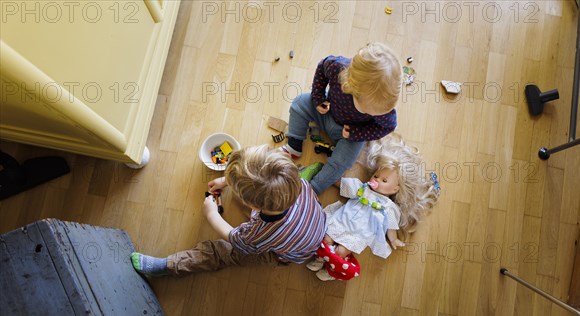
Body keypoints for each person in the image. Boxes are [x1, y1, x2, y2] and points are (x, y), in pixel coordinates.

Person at [130, 145, 327, 276]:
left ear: (254, 207)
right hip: (311, 224)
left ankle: (170, 265)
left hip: (283, 253)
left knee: (222, 252)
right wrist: (227, 181)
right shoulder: (298, 182)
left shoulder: (258, 233)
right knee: (263, 190)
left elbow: (237, 241)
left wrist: (212, 215)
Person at [308, 135, 440, 281]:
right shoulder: (362, 189)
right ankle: (320, 259)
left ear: (395, 189)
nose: (377, 180)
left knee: (341, 251)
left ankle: (332, 270)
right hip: (342, 221)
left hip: (358, 234)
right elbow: (344, 185)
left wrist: (393, 239)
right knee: (326, 238)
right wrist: (332, 179)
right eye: (376, 176)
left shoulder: (388, 207)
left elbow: (391, 225)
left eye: (384, 180)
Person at [282, 42, 402, 194]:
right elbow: (321, 68)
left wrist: (358, 133)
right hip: (327, 112)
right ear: (349, 86)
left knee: (343, 161)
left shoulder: (385, 112)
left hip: (350, 134)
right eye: (369, 111)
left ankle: (313, 188)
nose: (373, 115)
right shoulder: (337, 67)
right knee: (300, 102)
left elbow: (387, 127)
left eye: (376, 113)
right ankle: (294, 144)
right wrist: (318, 97)